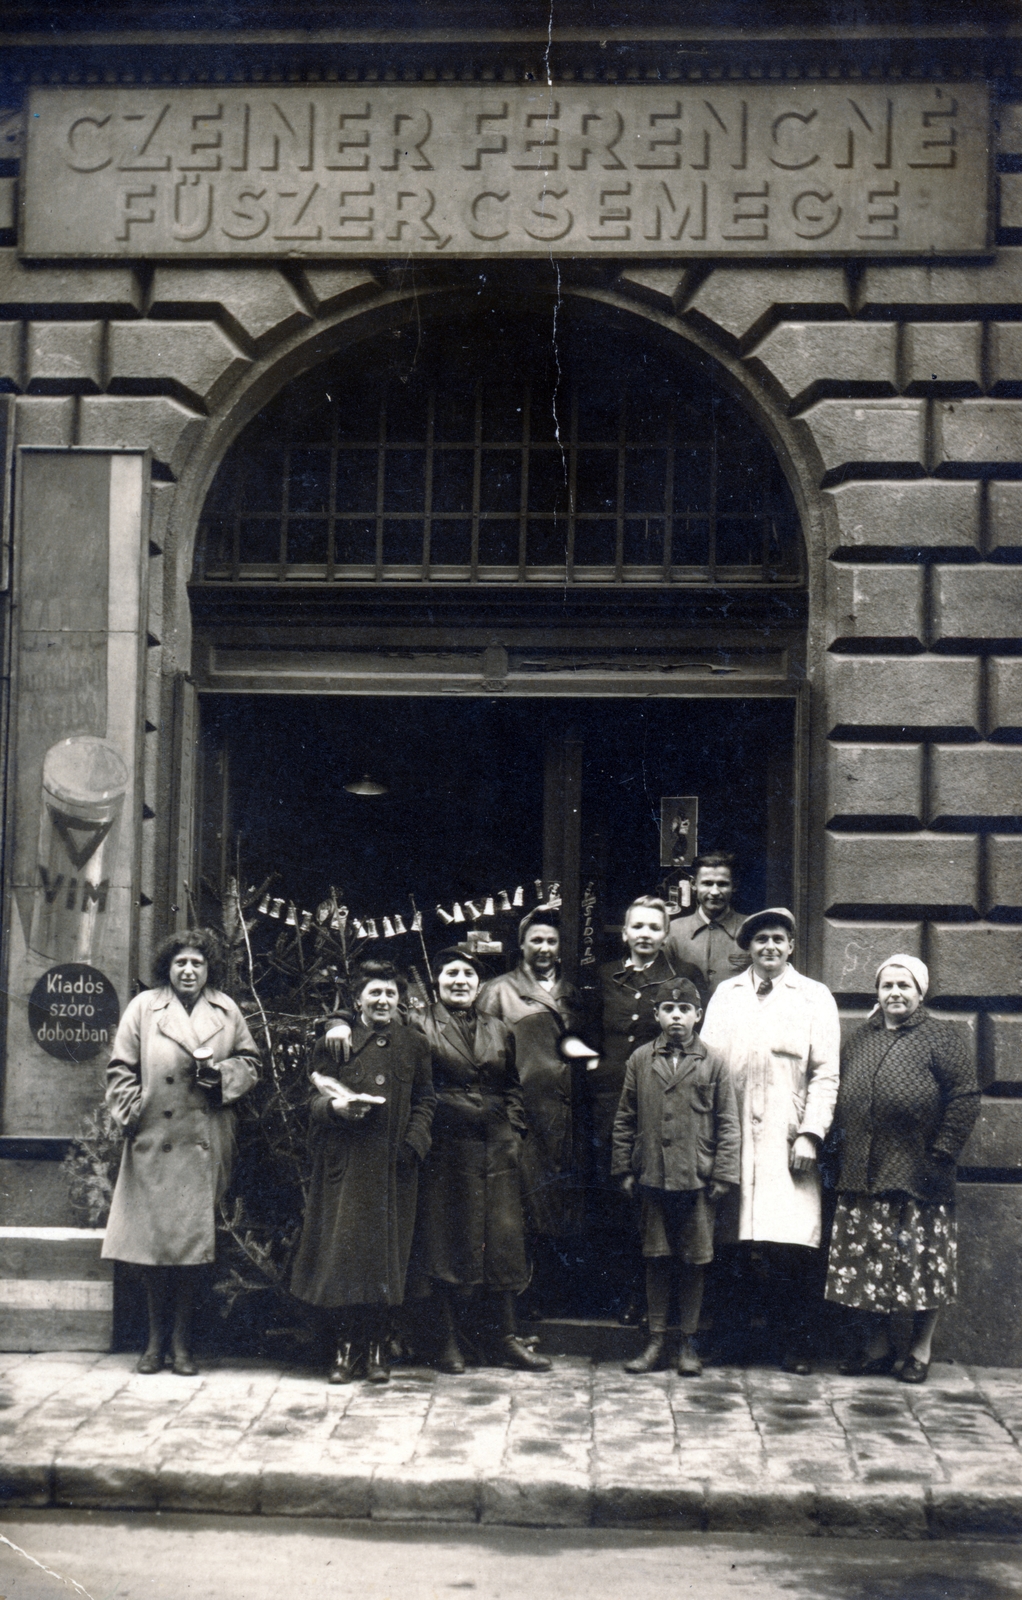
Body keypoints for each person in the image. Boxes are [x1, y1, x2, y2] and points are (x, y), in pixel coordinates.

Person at [102, 929, 260, 1376]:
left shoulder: (226, 1010)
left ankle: (182, 1342)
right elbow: (119, 1068)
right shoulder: (144, 1008)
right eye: (180, 964)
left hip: (204, 1135)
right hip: (155, 1138)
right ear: (167, 969)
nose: (188, 971)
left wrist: (222, 1077)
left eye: (197, 963)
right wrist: (133, 1114)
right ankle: (154, 1341)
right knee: (155, 1244)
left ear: (209, 969)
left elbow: (251, 1062)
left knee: (193, 1244)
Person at [825, 955, 979, 1384]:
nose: (894, 993)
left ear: (920, 992)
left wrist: (942, 1153)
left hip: (920, 1171)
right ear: (877, 992)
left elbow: (965, 1098)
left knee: (922, 1261)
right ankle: (877, 1348)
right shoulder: (861, 1039)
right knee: (866, 1262)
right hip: (862, 1169)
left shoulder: (941, 1038)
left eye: (904, 986)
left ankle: (919, 1349)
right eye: (887, 985)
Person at [701, 907, 840, 1373]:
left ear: (792, 945)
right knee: (731, 1243)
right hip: (733, 1133)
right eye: (761, 940)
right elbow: (708, 1068)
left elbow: (826, 1074)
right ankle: (731, 1341)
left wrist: (810, 1134)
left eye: (779, 939)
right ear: (749, 947)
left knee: (791, 1245)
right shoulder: (726, 994)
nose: (770, 948)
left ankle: (794, 1344)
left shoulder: (814, 997)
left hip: (787, 1138)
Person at [290, 959, 435, 1385]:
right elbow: (309, 1100)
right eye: (375, 992)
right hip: (346, 1166)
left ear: (400, 1000)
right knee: (346, 1258)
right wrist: (333, 1108)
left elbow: (427, 1100)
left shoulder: (414, 1044)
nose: (384, 1000)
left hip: (395, 1168)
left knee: (386, 1260)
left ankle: (376, 1350)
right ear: (357, 1000)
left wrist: (414, 1143)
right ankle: (345, 1349)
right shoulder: (336, 1041)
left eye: (391, 993)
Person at [410, 948, 551, 1373]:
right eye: (451, 972)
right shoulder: (419, 1026)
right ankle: (446, 1340)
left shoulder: (498, 1028)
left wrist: (514, 1127)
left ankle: (502, 1338)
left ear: (479, 983)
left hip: (496, 1148)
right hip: (445, 1149)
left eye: (468, 974)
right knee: (447, 1240)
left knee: (502, 1241)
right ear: (437, 981)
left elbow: (512, 1086)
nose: (460, 981)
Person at [612, 979, 740, 1377]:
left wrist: (723, 1173)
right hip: (653, 1174)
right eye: (668, 1009)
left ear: (698, 1016)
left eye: (684, 1010)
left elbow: (728, 1122)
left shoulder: (714, 1061)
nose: (676, 1017)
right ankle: (655, 1341)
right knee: (656, 1257)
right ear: (656, 1016)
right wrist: (624, 1167)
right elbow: (625, 1118)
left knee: (694, 1261)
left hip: (697, 1178)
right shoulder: (639, 1059)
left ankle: (687, 1342)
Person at [590, 896, 704, 1322]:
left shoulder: (680, 979)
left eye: (654, 928)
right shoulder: (604, 977)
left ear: (664, 934)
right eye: (636, 927)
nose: (645, 935)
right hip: (612, 1105)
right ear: (624, 933)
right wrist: (600, 1075)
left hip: (663, 1103)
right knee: (619, 1202)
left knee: (659, 1204)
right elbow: (586, 1037)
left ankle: (659, 1302)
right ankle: (628, 1295)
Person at [477, 907, 592, 1312]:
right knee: (525, 1203)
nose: (544, 948)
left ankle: (560, 1295)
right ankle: (526, 1299)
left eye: (552, 941)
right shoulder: (497, 991)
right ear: (522, 945)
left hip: (569, 1115)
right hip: (524, 1115)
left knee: (564, 1203)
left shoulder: (572, 992)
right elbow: (483, 1055)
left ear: (560, 949)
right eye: (537, 940)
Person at [665, 853, 750, 1000]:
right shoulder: (674, 930)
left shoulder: (751, 928)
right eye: (707, 883)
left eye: (722, 884)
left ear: (734, 886)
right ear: (693, 885)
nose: (715, 892)